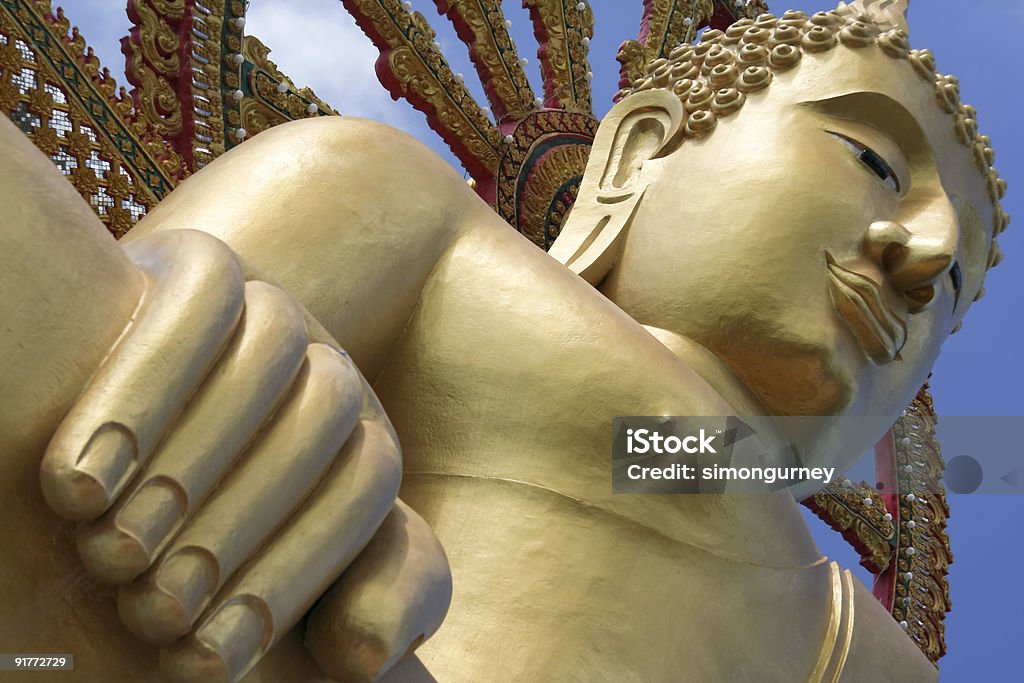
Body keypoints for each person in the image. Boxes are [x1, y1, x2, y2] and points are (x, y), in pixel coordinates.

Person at [0, 1, 1007, 681]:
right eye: (871, 158)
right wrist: (196, 355)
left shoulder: (849, 641)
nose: (919, 256)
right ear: (638, 152)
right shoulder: (412, 216)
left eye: (955, 287)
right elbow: (111, 347)